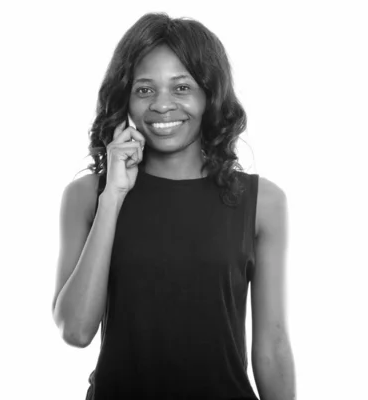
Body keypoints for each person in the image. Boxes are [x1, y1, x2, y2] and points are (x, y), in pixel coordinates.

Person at [51, 12, 296, 400]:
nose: (163, 105)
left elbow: (273, 346)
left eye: (181, 88)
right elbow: (76, 330)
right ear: (126, 98)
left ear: (209, 94)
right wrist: (112, 197)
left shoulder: (262, 202)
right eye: (145, 89)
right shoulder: (86, 197)